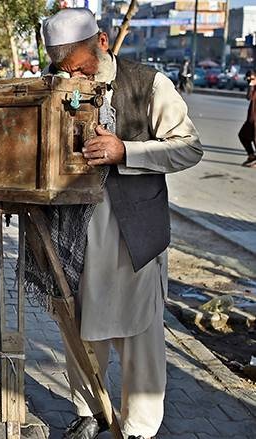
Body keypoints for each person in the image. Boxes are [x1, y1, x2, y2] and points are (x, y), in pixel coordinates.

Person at [41, 9, 203, 439]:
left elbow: (188, 147)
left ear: (103, 42)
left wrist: (126, 152)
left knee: (140, 335)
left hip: (133, 231)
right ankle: (89, 411)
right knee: (78, 326)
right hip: (73, 232)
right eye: (62, 67)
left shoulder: (149, 84)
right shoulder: (52, 82)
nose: (71, 74)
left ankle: (137, 428)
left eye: (78, 64)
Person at [237, 70, 256, 167]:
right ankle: (251, 156)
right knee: (243, 135)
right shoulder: (252, 87)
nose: (249, 81)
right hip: (251, 118)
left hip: (253, 120)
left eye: (251, 79)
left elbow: (249, 97)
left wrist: (252, 85)